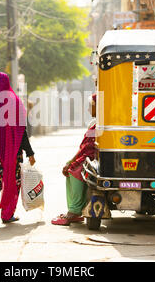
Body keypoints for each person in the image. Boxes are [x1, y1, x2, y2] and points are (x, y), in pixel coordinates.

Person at [0, 72, 35, 226]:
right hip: (13, 152)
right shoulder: (16, 103)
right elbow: (21, 131)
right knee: (12, 182)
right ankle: (7, 214)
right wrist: (29, 152)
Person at [51, 94, 97, 226]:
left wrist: (73, 162)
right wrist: (71, 161)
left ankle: (74, 211)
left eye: (90, 106)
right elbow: (84, 148)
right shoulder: (95, 123)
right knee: (69, 166)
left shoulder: (99, 124)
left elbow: (87, 149)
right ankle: (76, 209)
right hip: (90, 156)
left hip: (92, 158)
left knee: (73, 170)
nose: (89, 110)